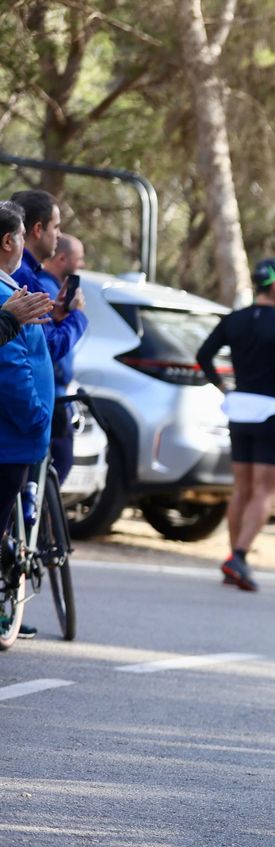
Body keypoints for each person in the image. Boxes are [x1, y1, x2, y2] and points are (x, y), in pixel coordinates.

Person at [196, 257, 275, 592]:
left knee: (241, 490)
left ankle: (235, 558)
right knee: (263, 490)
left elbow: (203, 355)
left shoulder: (235, 319)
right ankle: (239, 556)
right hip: (271, 413)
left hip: (239, 410)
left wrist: (222, 385)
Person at [0, 202, 54, 639]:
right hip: (10, 439)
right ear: (9, 241)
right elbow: (11, 372)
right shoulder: (7, 297)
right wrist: (37, 419)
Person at [8, 191, 87, 485]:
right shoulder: (25, 278)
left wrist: (55, 319)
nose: (59, 235)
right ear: (37, 229)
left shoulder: (29, 275)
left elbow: (32, 335)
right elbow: (46, 348)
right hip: (22, 423)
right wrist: (76, 317)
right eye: (56, 226)